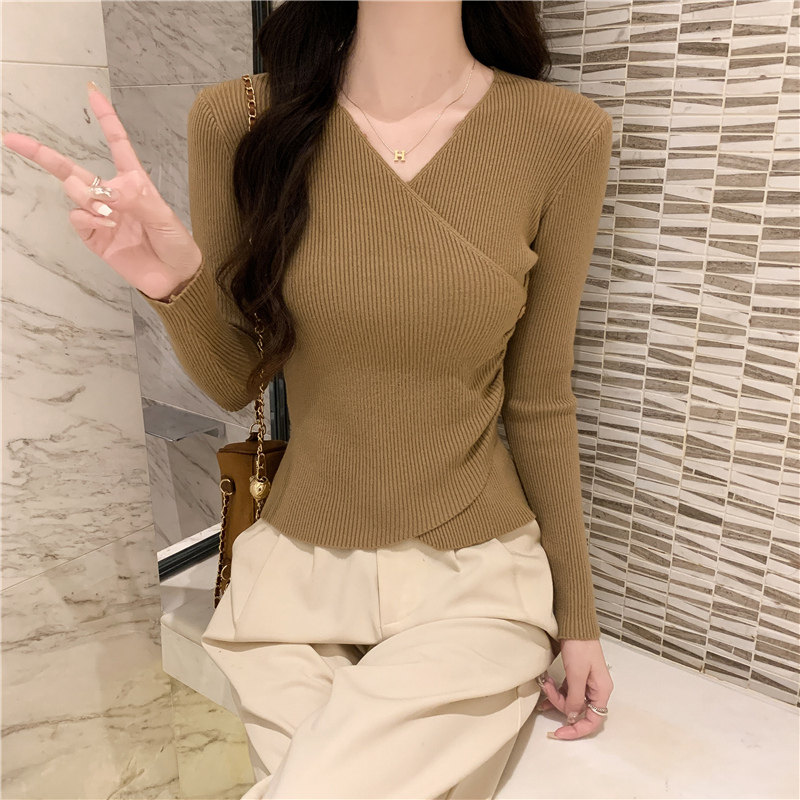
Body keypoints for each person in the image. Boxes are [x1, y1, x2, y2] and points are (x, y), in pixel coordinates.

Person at [2, 2, 615, 797]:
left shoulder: (561, 134)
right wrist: (175, 283)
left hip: (477, 576)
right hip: (293, 583)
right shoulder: (241, 119)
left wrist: (578, 618)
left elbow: (539, 397)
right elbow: (238, 379)